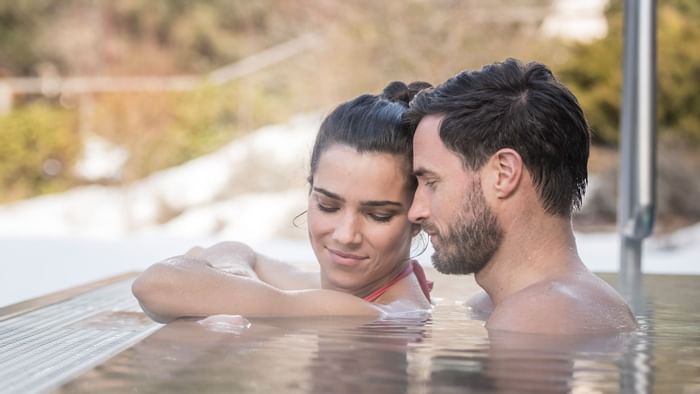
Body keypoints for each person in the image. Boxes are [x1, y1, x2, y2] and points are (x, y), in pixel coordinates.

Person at [132, 82, 434, 323]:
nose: (345, 235)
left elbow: (156, 285)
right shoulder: (354, 289)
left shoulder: (377, 313)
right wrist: (237, 277)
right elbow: (237, 251)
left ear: (417, 215)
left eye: (378, 215)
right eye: (328, 205)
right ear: (310, 190)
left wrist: (227, 280)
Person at [405, 58, 637, 335]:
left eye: (431, 182)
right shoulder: (501, 307)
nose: (415, 211)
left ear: (503, 173)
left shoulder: (539, 317)